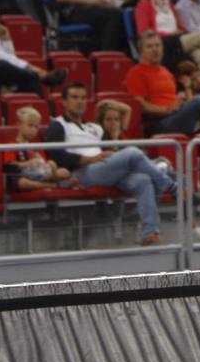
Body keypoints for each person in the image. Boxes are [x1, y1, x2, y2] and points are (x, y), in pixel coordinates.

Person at [45, 83, 179, 246]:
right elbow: (55, 154)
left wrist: (112, 153)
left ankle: (150, 234)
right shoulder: (58, 124)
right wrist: (87, 160)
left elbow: (108, 150)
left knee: (143, 180)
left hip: (105, 169)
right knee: (133, 152)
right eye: (74, 97)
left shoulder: (94, 128)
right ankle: (172, 187)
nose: (79, 102)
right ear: (64, 102)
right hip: (81, 172)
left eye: (82, 98)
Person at [2, 107, 73, 191]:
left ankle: (52, 183)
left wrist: (51, 165)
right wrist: (28, 164)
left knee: (64, 172)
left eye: (36, 127)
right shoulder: (12, 145)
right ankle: (50, 185)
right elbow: (9, 166)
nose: (33, 130)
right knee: (22, 182)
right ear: (19, 124)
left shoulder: (36, 147)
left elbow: (44, 165)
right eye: (30, 125)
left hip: (40, 174)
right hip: (23, 176)